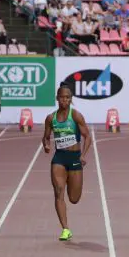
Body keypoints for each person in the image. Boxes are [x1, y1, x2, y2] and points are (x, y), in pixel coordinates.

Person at [42, 84, 92, 241]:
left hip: (75, 158)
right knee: (58, 192)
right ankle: (65, 229)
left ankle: (72, 183)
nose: (64, 100)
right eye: (62, 97)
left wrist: (83, 155)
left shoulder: (76, 116)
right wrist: (46, 144)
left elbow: (87, 137)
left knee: (74, 198)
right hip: (59, 158)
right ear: (57, 98)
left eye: (67, 97)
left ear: (71, 99)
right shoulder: (51, 118)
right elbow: (45, 136)